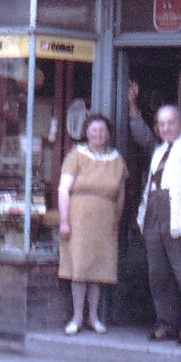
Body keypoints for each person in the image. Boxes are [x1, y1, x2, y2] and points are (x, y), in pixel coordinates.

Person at [137, 104, 181, 346]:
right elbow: (151, 186)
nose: (165, 128)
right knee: (158, 274)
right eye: (161, 124)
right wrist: (142, 217)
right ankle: (166, 323)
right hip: (155, 213)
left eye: (170, 123)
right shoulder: (159, 150)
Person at [58, 113, 127, 336]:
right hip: (78, 220)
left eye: (102, 130)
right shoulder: (76, 156)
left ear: (108, 133)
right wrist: (64, 221)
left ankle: (93, 317)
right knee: (79, 269)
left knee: (98, 270)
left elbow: (121, 194)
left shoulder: (116, 160)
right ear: (86, 132)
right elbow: (63, 190)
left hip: (105, 221)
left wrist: (117, 220)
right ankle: (77, 318)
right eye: (94, 130)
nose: (98, 134)